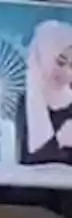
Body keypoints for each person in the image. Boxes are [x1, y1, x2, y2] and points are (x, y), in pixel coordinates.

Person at [20, 20, 72, 166]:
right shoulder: (25, 102)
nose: (65, 71)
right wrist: (60, 140)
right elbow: (32, 155)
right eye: (59, 62)